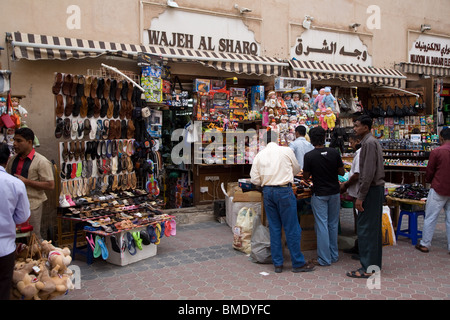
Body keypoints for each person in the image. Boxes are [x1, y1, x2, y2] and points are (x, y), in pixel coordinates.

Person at [250, 129, 315, 273]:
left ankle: (278, 264)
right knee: (291, 227)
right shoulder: (286, 151)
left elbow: (254, 179)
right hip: (284, 191)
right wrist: (284, 175)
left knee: (274, 228)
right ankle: (297, 263)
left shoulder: (260, 155)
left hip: (268, 192)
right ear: (277, 138)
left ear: (263, 141)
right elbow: (297, 168)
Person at [346, 115, 385, 279]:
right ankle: (373, 265)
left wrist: (360, 197)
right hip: (375, 189)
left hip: (371, 190)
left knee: (366, 230)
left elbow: (367, 174)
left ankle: (368, 268)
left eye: (357, 126)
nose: (354, 129)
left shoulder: (369, 144)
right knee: (372, 229)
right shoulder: (371, 142)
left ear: (366, 128)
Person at [303, 126, 345, 266]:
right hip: (334, 192)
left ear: (311, 139)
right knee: (332, 224)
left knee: (321, 225)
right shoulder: (334, 152)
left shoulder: (309, 156)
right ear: (324, 137)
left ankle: (324, 259)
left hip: (320, 193)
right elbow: (342, 172)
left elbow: (306, 176)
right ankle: (334, 255)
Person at [6, 128, 54, 240]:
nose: (15, 144)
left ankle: (36, 257)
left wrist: (26, 182)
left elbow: (50, 185)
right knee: (15, 236)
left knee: (33, 237)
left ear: (29, 142)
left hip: (32, 205)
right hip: (13, 205)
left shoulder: (41, 161)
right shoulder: (13, 160)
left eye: (19, 141)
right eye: (14, 140)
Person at [0, 143, 31, 300]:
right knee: (3, 288)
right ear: (7, 160)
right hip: (4, 249)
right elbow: (22, 217)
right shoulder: (15, 183)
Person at [416, 127, 450, 254]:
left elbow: (429, 171)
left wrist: (429, 181)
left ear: (441, 138)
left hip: (439, 187)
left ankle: (425, 244)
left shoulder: (437, 151)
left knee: (430, 217)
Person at [340, 134, 362, 256]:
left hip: (359, 192)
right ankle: (358, 245)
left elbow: (357, 174)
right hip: (356, 191)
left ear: (358, 140)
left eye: (351, 142)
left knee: (361, 221)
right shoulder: (359, 153)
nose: (350, 145)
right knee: (358, 220)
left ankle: (361, 248)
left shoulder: (360, 154)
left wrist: (346, 185)